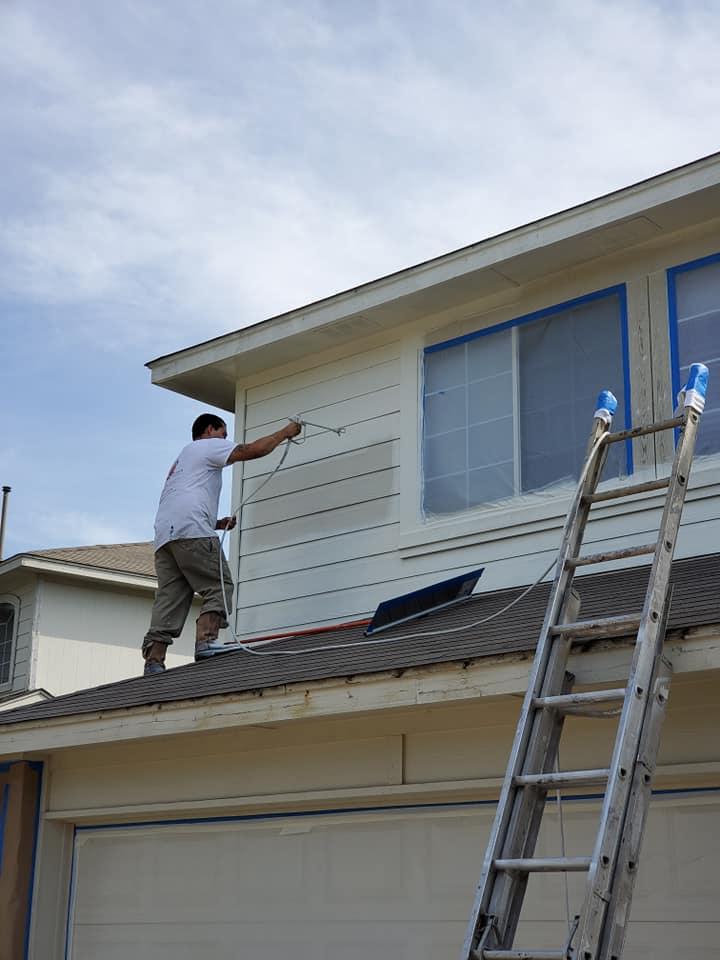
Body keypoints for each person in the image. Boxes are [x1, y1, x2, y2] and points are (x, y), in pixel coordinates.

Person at [142, 412, 302, 675]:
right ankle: (206, 641)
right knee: (219, 584)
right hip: (191, 530)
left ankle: (154, 659)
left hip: (165, 537)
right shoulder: (207, 446)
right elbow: (252, 450)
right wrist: (285, 432)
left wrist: (216, 523)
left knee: (171, 598)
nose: (225, 440)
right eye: (223, 434)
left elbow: (183, 501)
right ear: (208, 430)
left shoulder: (182, 460)